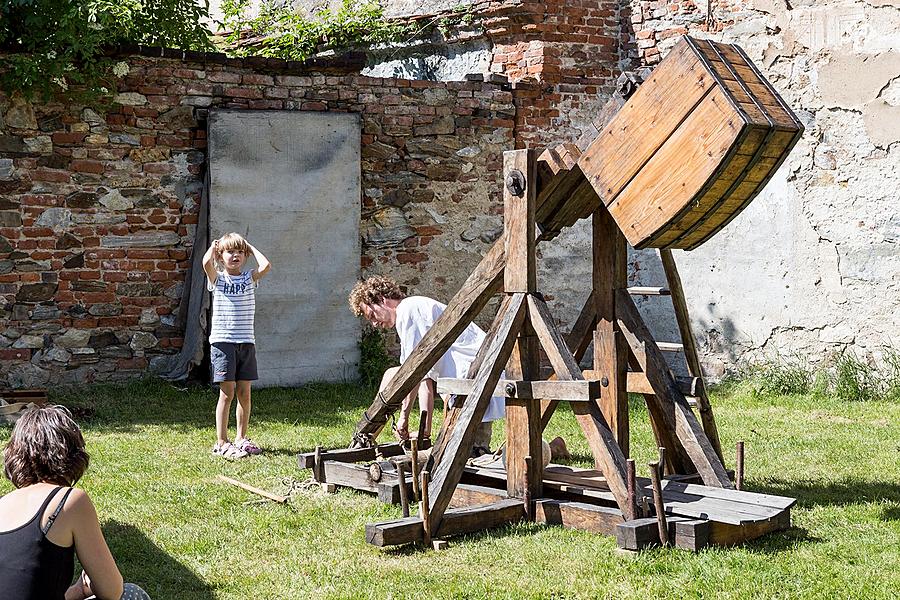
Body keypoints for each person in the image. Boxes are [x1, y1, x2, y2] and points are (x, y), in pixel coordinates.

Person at [0, 405, 151, 600]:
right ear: (71, 453)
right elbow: (112, 591)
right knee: (131, 595)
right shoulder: (69, 501)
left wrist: (78, 591)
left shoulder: (4, 504)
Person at [348, 276, 503, 455]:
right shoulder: (413, 309)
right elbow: (424, 378)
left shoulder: (408, 311)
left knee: (469, 454)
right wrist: (424, 430)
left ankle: (366, 438)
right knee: (470, 451)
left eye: (372, 315)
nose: (374, 323)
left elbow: (411, 373)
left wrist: (403, 419)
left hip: (474, 377)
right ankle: (366, 438)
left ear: (382, 300)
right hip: (474, 377)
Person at [202, 232, 272, 459]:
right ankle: (222, 442)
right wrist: (213, 249)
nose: (236, 256)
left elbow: (266, 265)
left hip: (246, 343)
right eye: (230, 251)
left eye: (240, 252)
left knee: (245, 392)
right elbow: (205, 263)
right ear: (220, 257)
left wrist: (250, 246)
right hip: (223, 343)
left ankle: (241, 438)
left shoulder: (249, 278)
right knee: (227, 393)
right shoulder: (218, 279)